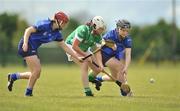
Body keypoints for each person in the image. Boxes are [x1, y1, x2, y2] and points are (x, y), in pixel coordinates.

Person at [7, 11, 81, 96]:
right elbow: (28, 30)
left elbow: (65, 47)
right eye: (64, 23)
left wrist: (77, 56)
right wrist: (25, 43)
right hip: (27, 44)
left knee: (36, 74)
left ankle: (13, 76)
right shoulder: (44, 24)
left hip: (33, 48)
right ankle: (28, 93)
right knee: (37, 70)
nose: (65, 25)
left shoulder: (57, 34)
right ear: (59, 21)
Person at [88, 19, 133, 96]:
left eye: (127, 31)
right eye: (123, 30)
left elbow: (128, 54)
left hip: (114, 56)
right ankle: (124, 92)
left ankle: (98, 78)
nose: (125, 33)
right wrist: (110, 44)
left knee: (115, 77)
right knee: (120, 68)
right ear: (118, 28)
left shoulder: (127, 39)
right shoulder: (111, 34)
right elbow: (100, 42)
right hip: (105, 55)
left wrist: (126, 67)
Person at [65, 16, 106, 96]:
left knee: (97, 69)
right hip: (71, 47)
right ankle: (87, 91)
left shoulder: (98, 36)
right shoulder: (83, 30)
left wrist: (101, 65)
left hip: (84, 48)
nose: (101, 31)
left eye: (102, 29)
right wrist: (86, 56)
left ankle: (91, 79)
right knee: (84, 64)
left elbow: (98, 52)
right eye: (100, 29)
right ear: (94, 26)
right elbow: (74, 46)